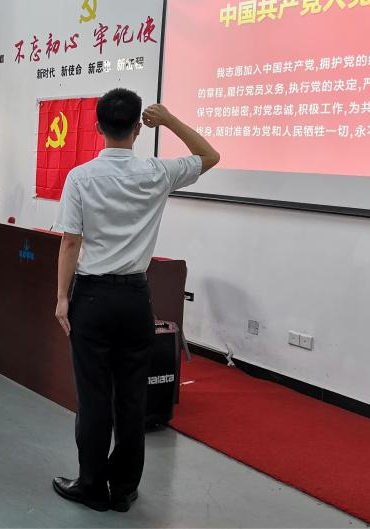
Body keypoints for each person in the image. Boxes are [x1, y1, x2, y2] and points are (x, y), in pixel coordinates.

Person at [52, 90, 220, 513]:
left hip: (92, 297)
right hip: (134, 299)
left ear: (98, 127)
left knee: (94, 397)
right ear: (138, 129)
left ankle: (91, 486)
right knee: (131, 398)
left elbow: (71, 242)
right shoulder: (157, 173)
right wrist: (170, 119)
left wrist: (61, 298)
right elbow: (209, 156)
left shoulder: (81, 177)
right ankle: (124, 489)